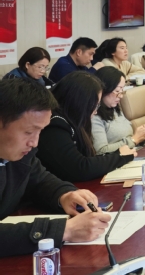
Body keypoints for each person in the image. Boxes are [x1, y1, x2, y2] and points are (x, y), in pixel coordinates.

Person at [0, 79, 111, 257]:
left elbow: (38, 179)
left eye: (40, 131)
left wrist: (64, 195)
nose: (34, 142)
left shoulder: (20, 152)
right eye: (29, 132)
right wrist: (62, 230)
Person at [36, 72, 136, 183]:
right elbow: (80, 168)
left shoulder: (72, 119)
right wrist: (120, 157)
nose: (96, 111)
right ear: (80, 102)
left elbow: (88, 158)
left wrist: (117, 154)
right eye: (95, 105)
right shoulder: (54, 125)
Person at [91, 67, 145, 154]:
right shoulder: (94, 116)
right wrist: (134, 139)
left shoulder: (114, 108)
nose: (121, 96)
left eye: (122, 90)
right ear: (103, 90)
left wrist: (142, 135)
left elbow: (129, 139)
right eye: (117, 91)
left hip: (133, 153)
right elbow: (101, 151)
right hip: (118, 160)